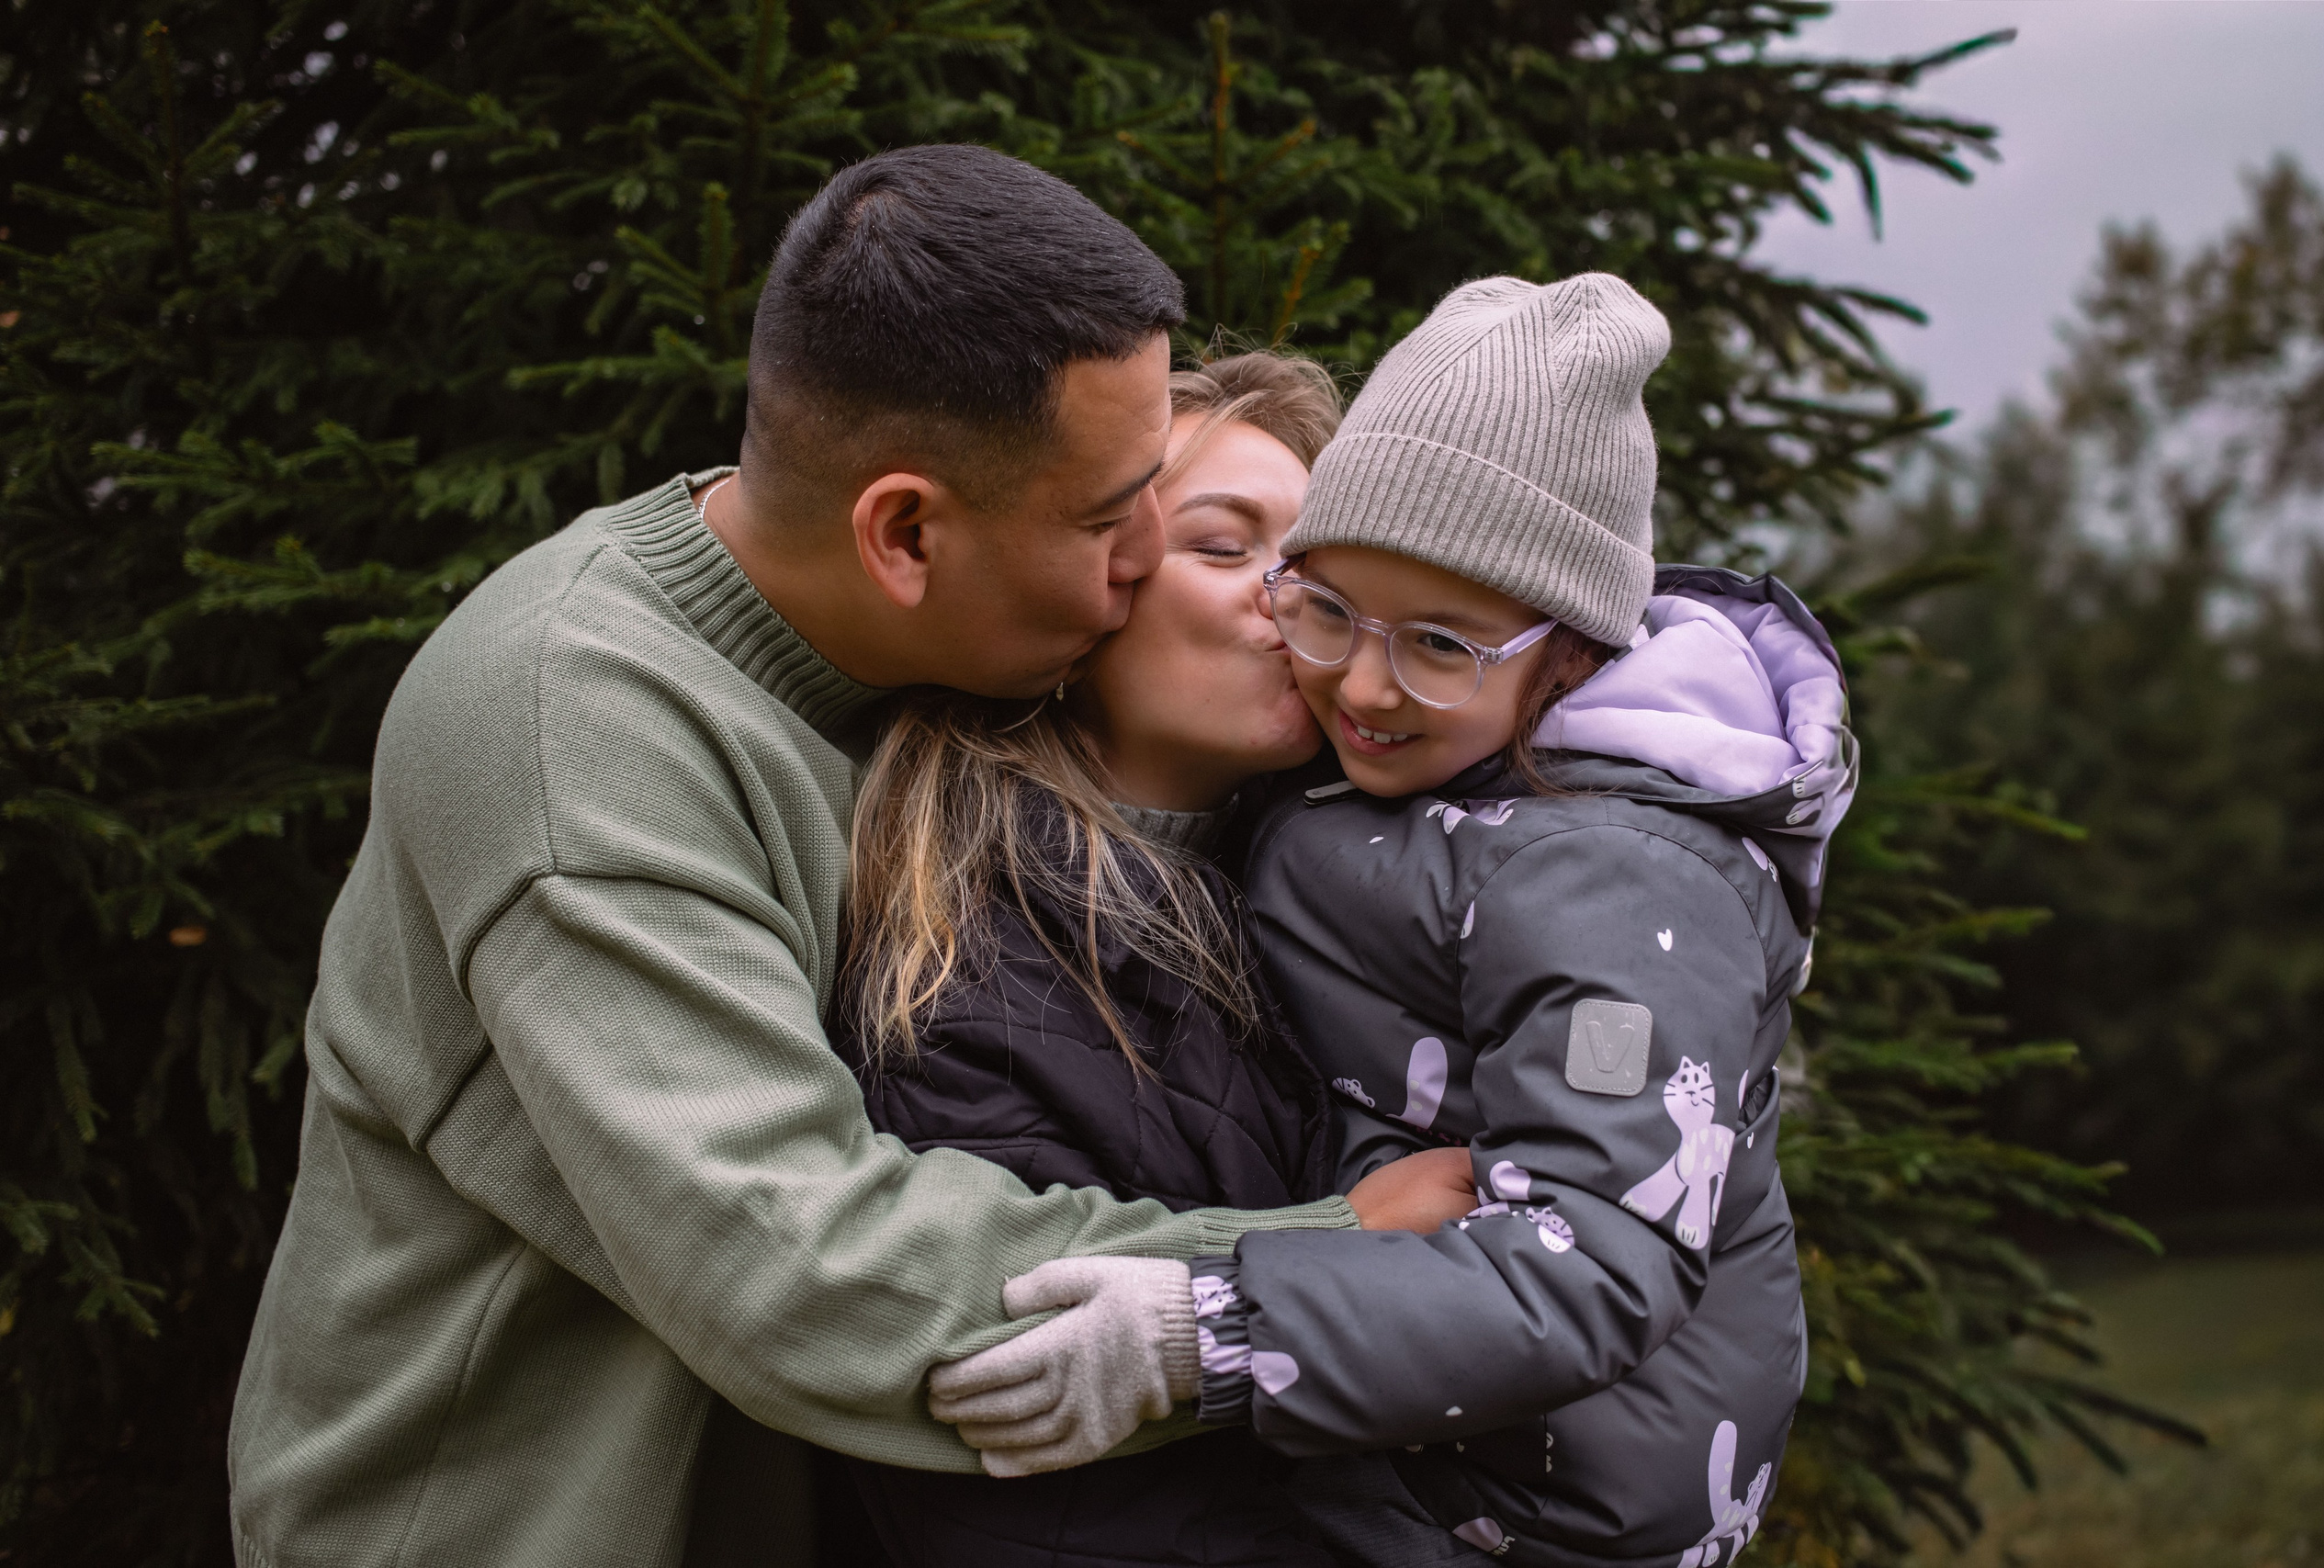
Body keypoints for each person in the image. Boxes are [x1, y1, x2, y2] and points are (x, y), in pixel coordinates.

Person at [223, 148, 1471, 1568]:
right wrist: (1300, 1278)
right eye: (1105, 515)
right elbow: (797, 1269)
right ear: (904, 532)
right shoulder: (576, 737)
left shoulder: (928, 680)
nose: (1143, 561)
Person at [931, 275, 1857, 1568]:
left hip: (1539, 1512)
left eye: (1439, 645)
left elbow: (1592, 1257)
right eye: (1328, 612)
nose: (1364, 683)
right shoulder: (1396, 796)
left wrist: (1211, 1333)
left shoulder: (1620, 892)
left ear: (1572, 653)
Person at [834, 353, 1430, 1567]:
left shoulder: (1356, 918)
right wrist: (1342, 1251)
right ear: (1091, 597)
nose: (1294, 598)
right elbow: (1019, 1482)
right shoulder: (977, 971)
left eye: (1322, 566)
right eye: (1227, 547)